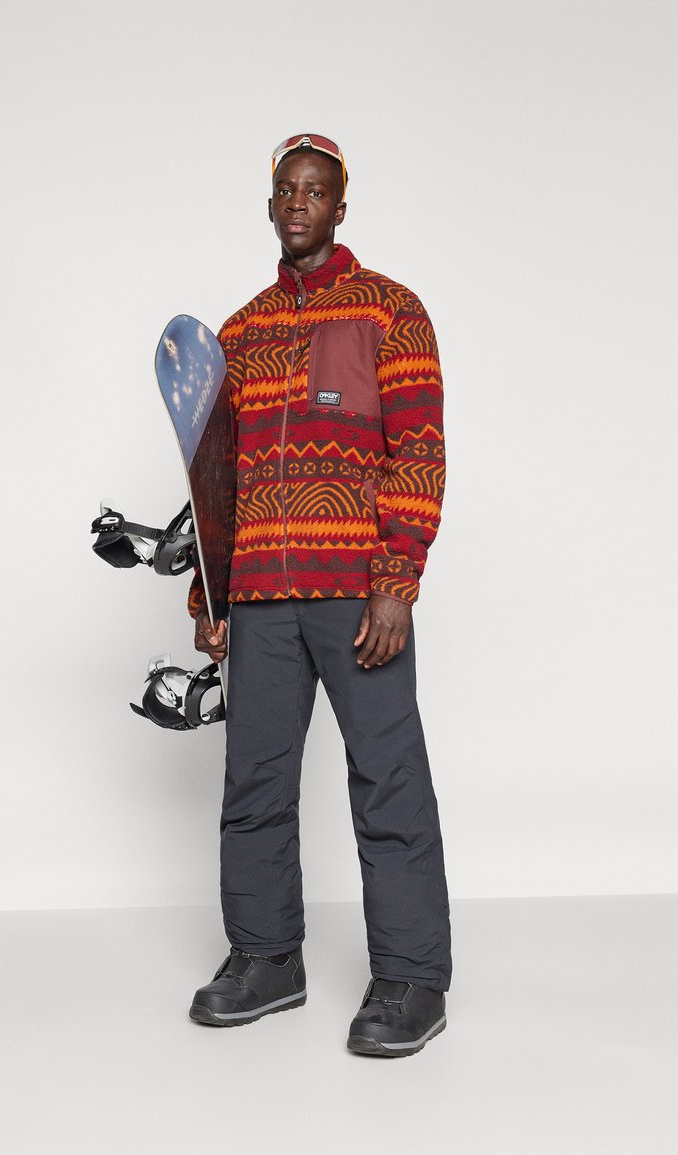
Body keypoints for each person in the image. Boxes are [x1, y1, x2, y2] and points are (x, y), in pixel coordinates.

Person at [186, 134, 451, 1058]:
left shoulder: (392, 312)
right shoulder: (240, 332)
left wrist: (397, 580)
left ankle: (412, 976)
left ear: (342, 208)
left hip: (358, 593)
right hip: (258, 591)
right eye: (286, 191)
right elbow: (210, 479)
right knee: (253, 781)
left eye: (317, 191)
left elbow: (418, 449)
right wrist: (208, 594)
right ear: (271, 207)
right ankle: (266, 958)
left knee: (388, 781)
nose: (300, 203)